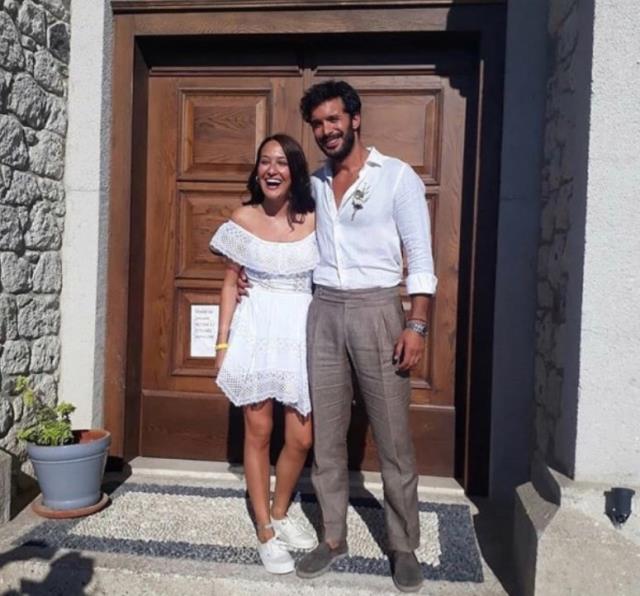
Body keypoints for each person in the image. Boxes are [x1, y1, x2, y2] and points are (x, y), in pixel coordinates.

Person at [294, 80, 438, 593]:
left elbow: (420, 256)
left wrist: (416, 325)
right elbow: (283, 234)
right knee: (328, 436)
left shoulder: (395, 176)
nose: (326, 130)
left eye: (334, 119)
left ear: (355, 119)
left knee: (393, 437)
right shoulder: (312, 184)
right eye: (317, 124)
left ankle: (403, 545)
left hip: (379, 309)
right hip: (325, 309)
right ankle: (333, 537)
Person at [210, 134, 318, 575]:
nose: (272, 170)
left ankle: (280, 509)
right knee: (258, 430)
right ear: (257, 171)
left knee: (301, 437)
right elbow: (229, 283)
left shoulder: (316, 219)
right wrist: (222, 344)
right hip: (255, 330)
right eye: (265, 162)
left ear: (295, 171)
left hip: (301, 333)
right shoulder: (243, 218)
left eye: (282, 162)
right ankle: (265, 530)